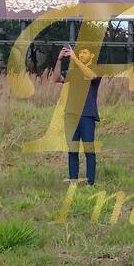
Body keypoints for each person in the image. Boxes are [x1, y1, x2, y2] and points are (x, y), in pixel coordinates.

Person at [58, 44, 101, 185]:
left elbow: (91, 76)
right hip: (70, 115)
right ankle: (73, 181)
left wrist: (75, 58)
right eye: (79, 53)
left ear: (92, 56)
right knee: (72, 151)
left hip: (87, 115)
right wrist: (59, 60)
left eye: (84, 52)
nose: (81, 55)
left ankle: (90, 182)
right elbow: (55, 78)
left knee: (89, 151)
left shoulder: (95, 69)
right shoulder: (73, 72)